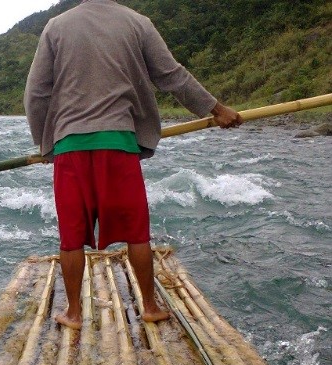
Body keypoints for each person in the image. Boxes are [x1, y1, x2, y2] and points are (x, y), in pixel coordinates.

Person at [23, 0, 242, 330]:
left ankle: (74, 313)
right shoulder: (138, 23)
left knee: (71, 237)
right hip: (120, 144)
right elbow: (171, 75)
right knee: (137, 234)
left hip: (70, 145)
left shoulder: (56, 27)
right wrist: (215, 109)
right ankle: (150, 306)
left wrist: (45, 144)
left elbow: (35, 93)